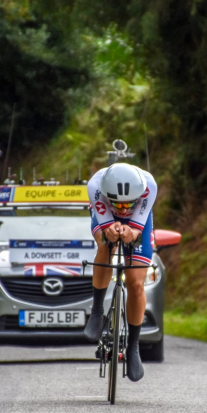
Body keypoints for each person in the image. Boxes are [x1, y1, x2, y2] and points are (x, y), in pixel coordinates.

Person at [83, 162, 157, 382]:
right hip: (105, 215)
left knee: (135, 282)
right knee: (106, 244)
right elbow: (106, 227)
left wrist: (132, 229)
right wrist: (112, 228)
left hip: (140, 217)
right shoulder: (95, 185)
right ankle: (97, 311)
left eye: (128, 205)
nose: (123, 209)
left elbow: (136, 226)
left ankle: (133, 347)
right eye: (119, 204)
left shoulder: (149, 186)